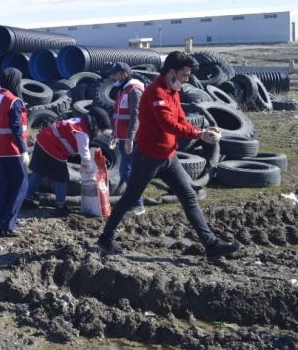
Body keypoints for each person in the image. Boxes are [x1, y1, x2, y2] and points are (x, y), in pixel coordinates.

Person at [96, 51, 241, 261]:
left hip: (169, 156)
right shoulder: (155, 92)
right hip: (148, 157)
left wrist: (202, 131)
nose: (187, 79)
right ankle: (105, 239)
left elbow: (181, 119)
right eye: (184, 74)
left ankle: (211, 245)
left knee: (189, 197)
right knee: (128, 199)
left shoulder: (172, 92)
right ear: (172, 72)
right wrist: (199, 135)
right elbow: (167, 124)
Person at [23, 107, 112, 217]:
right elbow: (85, 155)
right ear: (97, 124)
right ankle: (60, 207)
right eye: (101, 129)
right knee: (62, 177)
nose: (100, 132)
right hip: (51, 147)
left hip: (42, 141)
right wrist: (92, 168)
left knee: (39, 172)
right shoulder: (82, 132)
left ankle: (26, 200)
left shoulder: (80, 122)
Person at [0, 68, 29, 237]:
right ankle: (7, 224)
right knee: (20, 185)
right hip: (12, 150)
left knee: (0, 187)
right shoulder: (14, 102)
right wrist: (24, 151)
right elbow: (17, 129)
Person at [107, 62, 146, 215]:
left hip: (132, 139)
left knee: (126, 171)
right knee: (127, 170)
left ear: (124, 74)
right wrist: (114, 135)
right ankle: (134, 202)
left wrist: (130, 138)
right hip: (123, 137)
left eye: (115, 74)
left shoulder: (134, 90)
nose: (112, 77)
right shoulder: (122, 90)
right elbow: (118, 116)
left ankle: (139, 204)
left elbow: (135, 116)